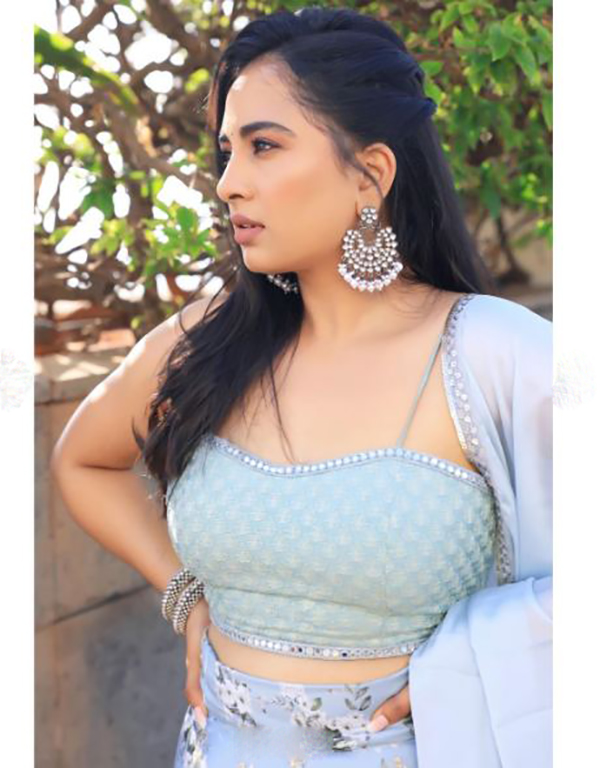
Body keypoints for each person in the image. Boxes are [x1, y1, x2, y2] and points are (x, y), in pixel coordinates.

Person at [51, 6, 552, 768]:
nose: (228, 184)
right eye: (227, 152)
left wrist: (471, 670)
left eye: (264, 147)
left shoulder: (490, 349)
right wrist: (185, 599)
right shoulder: (212, 338)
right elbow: (82, 461)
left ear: (370, 173)